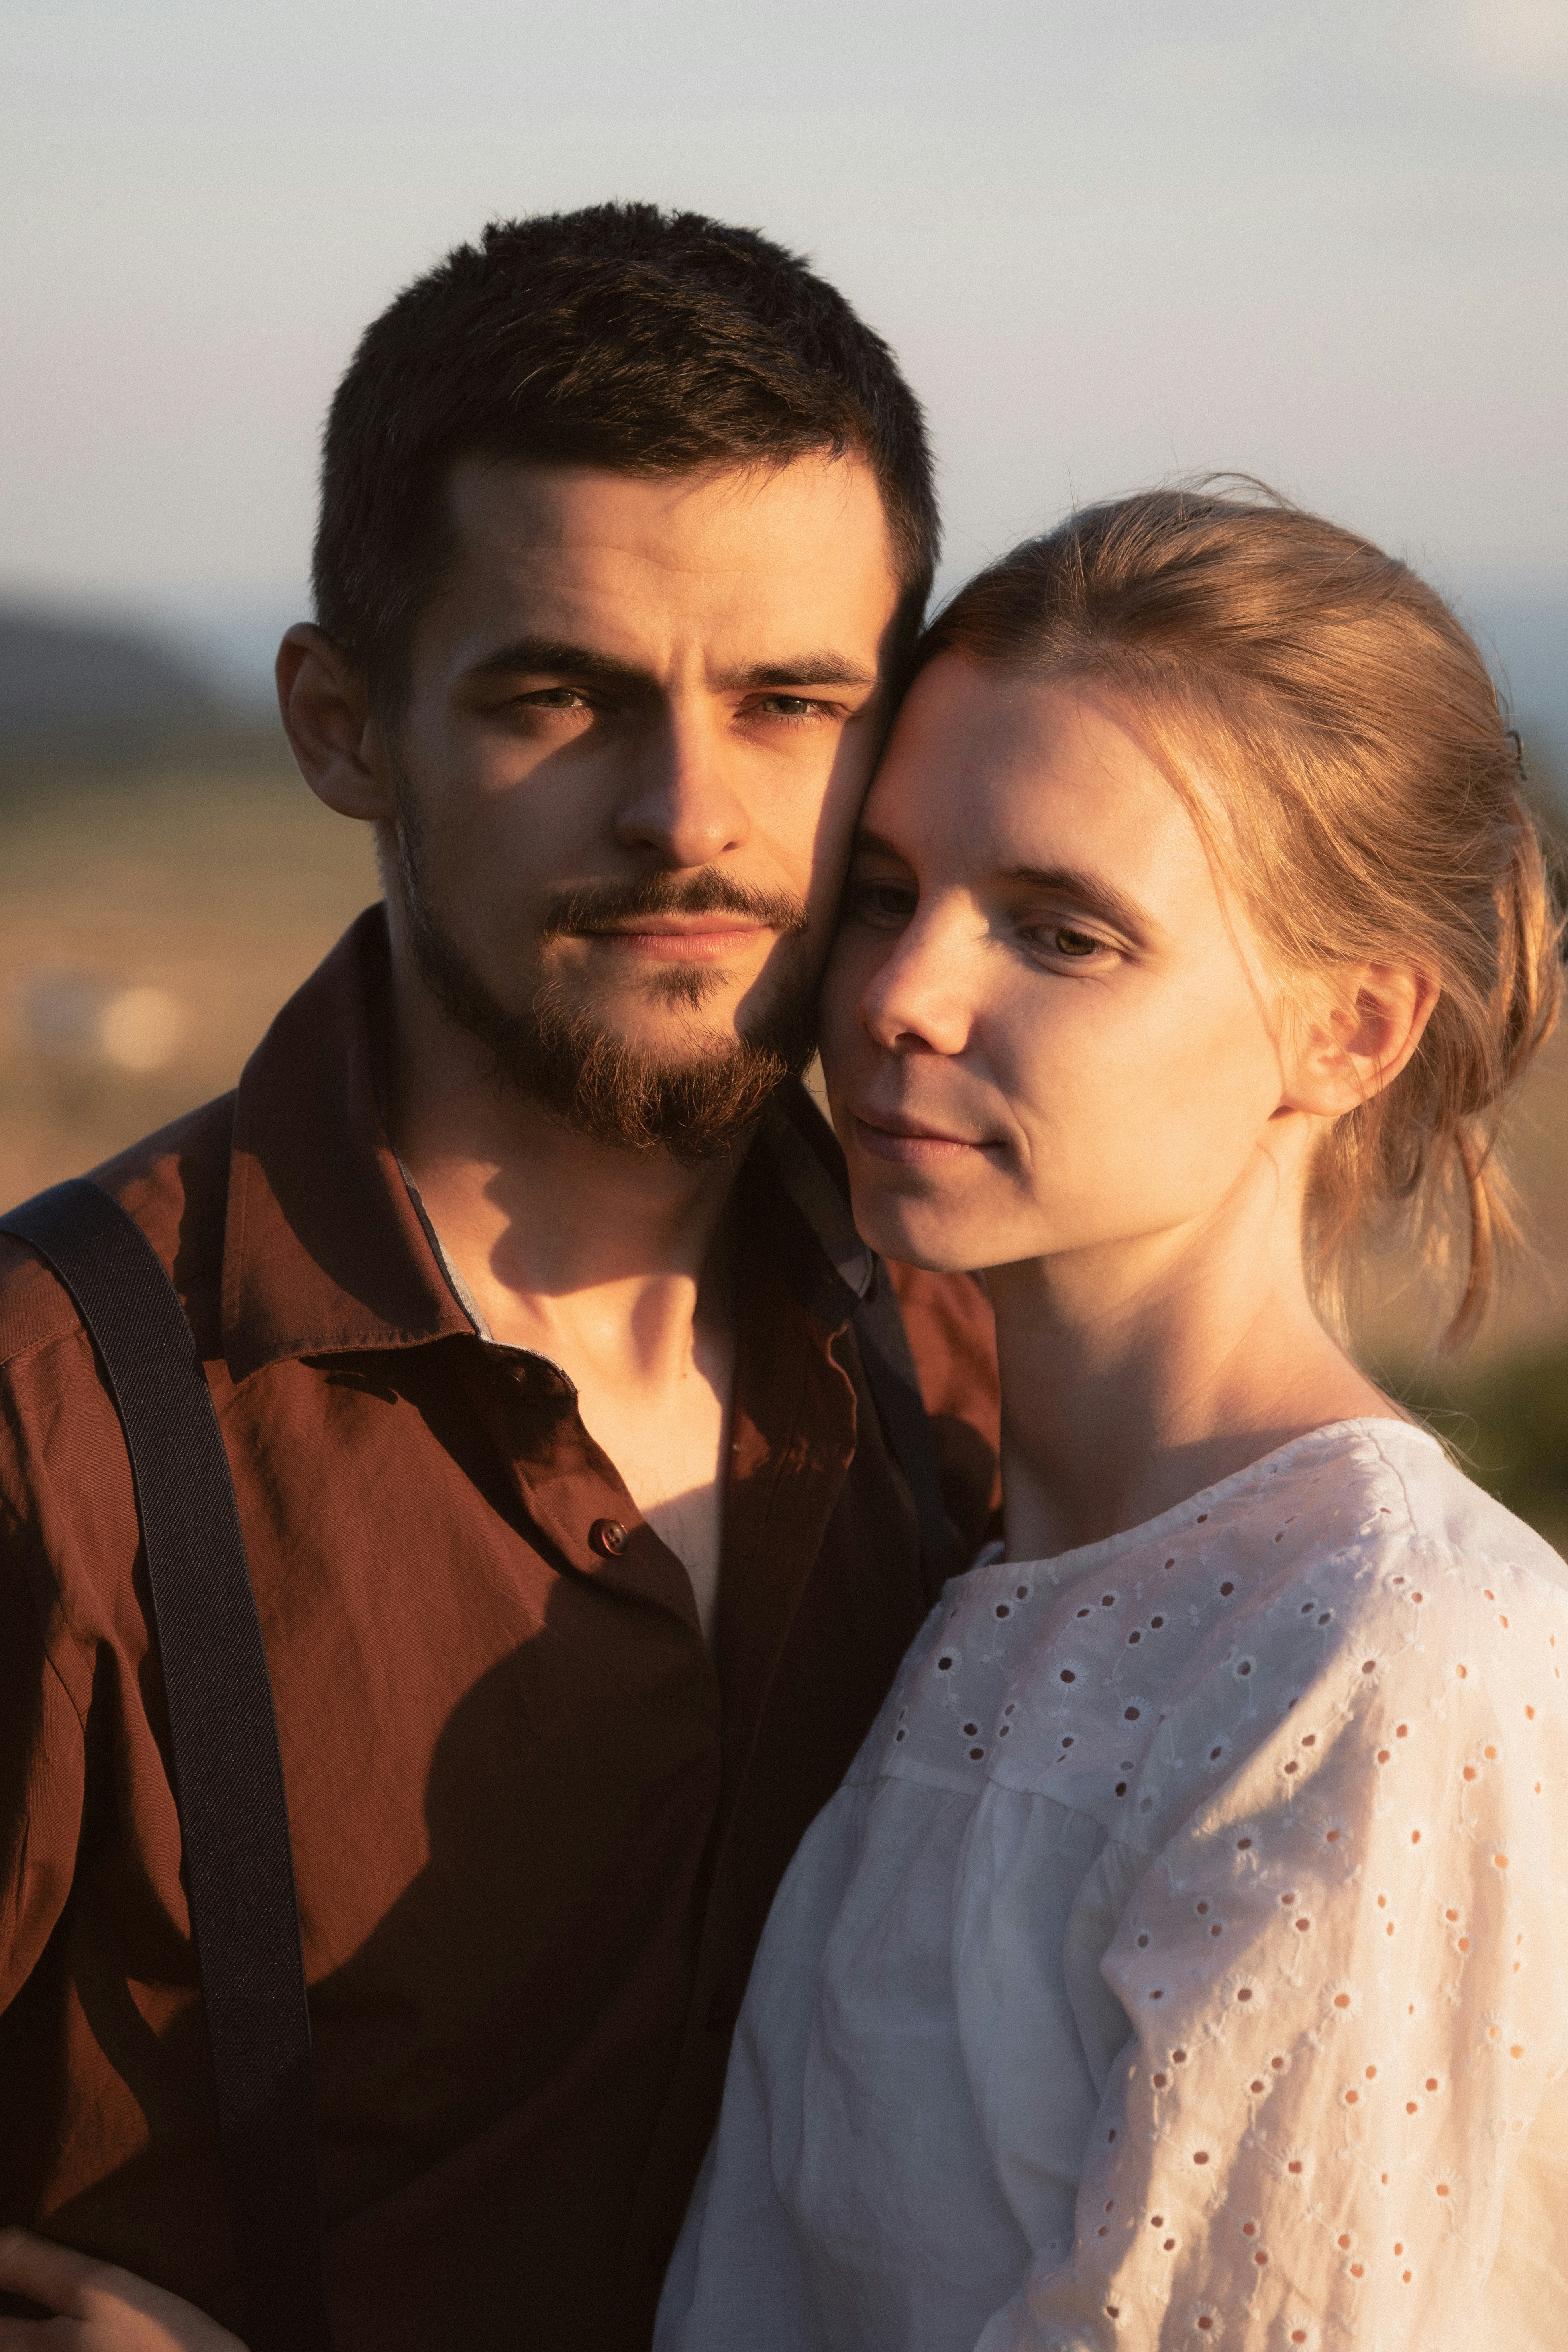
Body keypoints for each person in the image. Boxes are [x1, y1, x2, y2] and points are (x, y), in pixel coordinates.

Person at [0, 205, 1000, 2352]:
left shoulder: (987, 1362)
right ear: (343, 726)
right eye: (563, 696)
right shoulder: (53, 1419)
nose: (688, 815)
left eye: (792, 701)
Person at [652, 487, 1568, 2348]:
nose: (901, 997)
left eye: (1061, 932)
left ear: (1352, 1030)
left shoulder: (1384, 1653)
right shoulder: (967, 1564)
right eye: (885, 893)